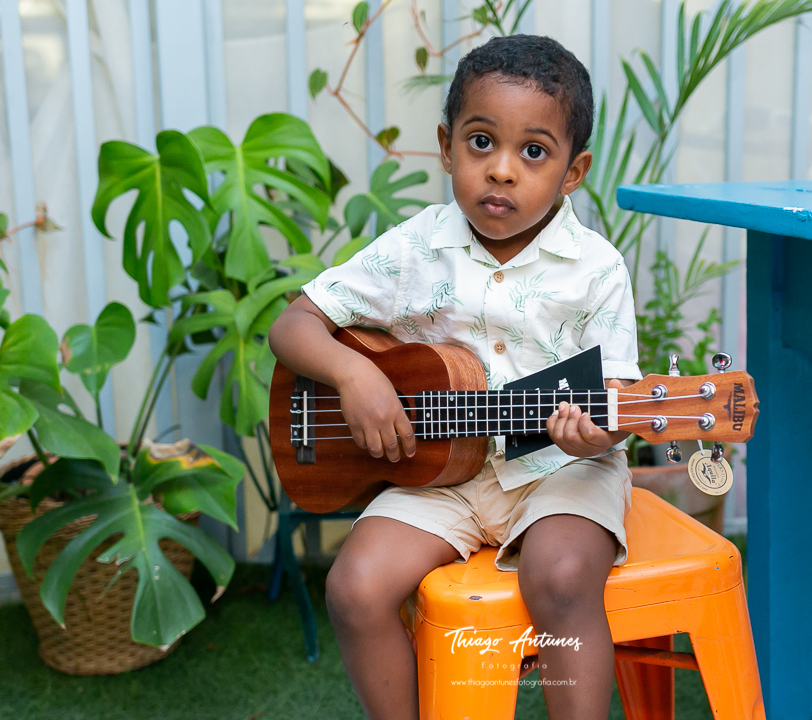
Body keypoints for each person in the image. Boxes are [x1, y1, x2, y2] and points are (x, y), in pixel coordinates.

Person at [268, 34, 641, 720]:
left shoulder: (596, 269)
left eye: (533, 151)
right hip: (442, 476)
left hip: (561, 470)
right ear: (446, 147)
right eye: (480, 142)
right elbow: (291, 328)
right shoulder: (416, 249)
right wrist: (354, 374)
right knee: (355, 586)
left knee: (559, 577)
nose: (502, 170)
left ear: (573, 171)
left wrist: (593, 438)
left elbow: (617, 406)